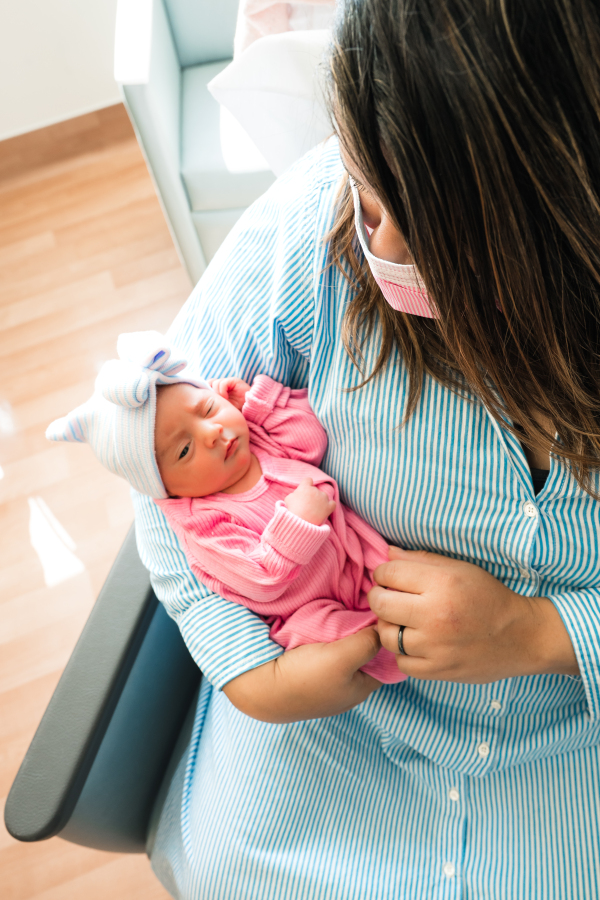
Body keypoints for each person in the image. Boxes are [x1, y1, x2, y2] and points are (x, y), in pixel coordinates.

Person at [133, 0, 600, 896]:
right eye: (362, 187)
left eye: (400, 211)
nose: (365, 233)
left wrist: (544, 635)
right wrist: (261, 680)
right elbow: (165, 485)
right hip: (343, 737)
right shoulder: (315, 221)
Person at [46, 336, 403, 686]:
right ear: (167, 490)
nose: (212, 433)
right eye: (185, 451)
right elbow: (259, 578)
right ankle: (386, 646)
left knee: (401, 574)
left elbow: (310, 441)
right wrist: (297, 523)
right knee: (337, 639)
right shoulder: (203, 525)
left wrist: (260, 404)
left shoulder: (256, 439)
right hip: (307, 607)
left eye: (207, 409)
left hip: (354, 550)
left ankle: (412, 628)